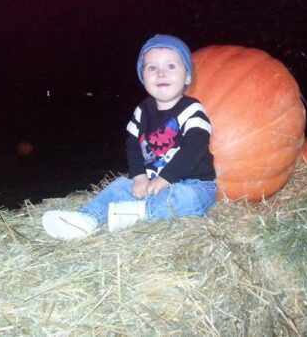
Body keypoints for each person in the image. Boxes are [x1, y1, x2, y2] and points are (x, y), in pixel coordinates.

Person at [42, 34, 217, 239]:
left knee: (190, 200)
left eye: (171, 66)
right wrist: (139, 177)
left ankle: (138, 213)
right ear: (143, 77)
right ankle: (87, 219)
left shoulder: (193, 109)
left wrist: (166, 179)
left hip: (193, 182)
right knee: (119, 186)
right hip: (151, 182)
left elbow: (194, 149)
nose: (161, 73)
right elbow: (133, 147)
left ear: (187, 76)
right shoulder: (142, 112)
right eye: (152, 68)